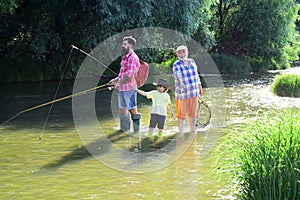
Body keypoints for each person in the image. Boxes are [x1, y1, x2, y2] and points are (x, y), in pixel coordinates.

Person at [109, 36, 141, 132]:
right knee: (122, 109)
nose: (123, 46)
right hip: (122, 88)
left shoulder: (133, 58)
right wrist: (115, 80)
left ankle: (136, 131)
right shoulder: (124, 57)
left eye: (125, 44)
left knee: (132, 109)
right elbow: (122, 73)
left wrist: (119, 83)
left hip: (130, 88)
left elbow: (129, 76)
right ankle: (124, 131)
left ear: (130, 45)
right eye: (123, 44)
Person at [173, 45, 203, 133]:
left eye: (183, 51)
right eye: (179, 52)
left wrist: (199, 86)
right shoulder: (176, 64)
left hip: (194, 92)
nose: (182, 53)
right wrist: (181, 82)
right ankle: (180, 134)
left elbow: (196, 75)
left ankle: (192, 132)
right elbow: (177, 74)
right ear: (177, 54)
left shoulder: (192, 61)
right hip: (183, 94)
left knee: (192, 114)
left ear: (187, 52)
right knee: (181, 115)